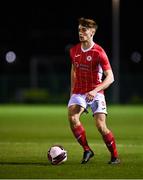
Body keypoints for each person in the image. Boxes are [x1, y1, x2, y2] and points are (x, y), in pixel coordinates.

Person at [67, 17, 120, 164]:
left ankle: (115, 157)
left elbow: (110, 77)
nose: (80, 32)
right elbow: (74, 71)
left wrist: (95, 91)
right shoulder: (74, 51)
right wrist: (72, 93)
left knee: (101, 126)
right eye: (79, 30)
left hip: (95, 92)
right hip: (79, 91)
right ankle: (87, 150)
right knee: (72, 117)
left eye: (84, 30)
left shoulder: (99, 52)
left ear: (92, 32)